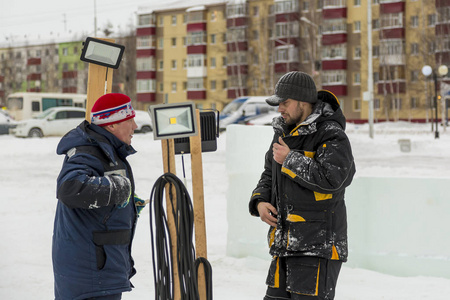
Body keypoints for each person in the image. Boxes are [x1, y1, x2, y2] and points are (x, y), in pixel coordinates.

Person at [249, 71, 356, 300]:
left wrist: (290, 159)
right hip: (283, 245)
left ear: (303, 102)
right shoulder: (283, 133)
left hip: (317, 248)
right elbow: (269, 172)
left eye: (285, 103)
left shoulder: (331, 134)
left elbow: (333, 179)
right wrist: (260, 200)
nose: (280, 109)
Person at [52, 93, 146, 300]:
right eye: (129, 120)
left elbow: (101, 191)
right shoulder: (88, 151)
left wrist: (126, 203)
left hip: (100, 269)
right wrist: (118, 190)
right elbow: (70, 188)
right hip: (91, 275)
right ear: (111, 125)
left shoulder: (105, 150)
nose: (135, 126)